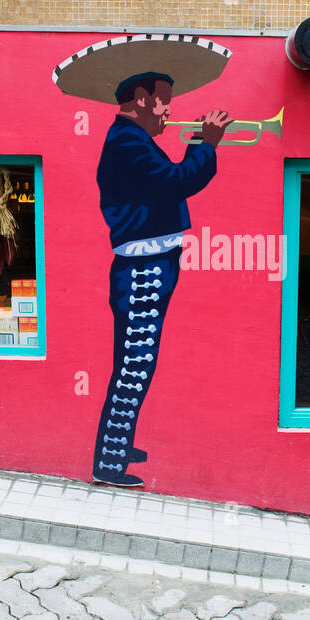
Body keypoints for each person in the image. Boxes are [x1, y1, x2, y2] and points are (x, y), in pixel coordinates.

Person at [91, 71, 233, 487]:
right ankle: (110, 462)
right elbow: (176, 182)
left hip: (150, 265)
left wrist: (197, 144)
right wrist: (207, 143)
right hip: (143, 268)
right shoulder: (127, 144)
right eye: (162, 101)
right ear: (140, 98)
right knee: (135, 364)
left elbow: (166, 179)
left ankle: (120, 440)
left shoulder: (132, 142)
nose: (168, 110)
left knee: (136, 360)